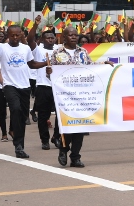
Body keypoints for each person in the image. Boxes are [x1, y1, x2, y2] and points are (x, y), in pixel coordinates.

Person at [47, 26, 112, 167]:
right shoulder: (57, 53)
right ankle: (63, 150)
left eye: (75, 35)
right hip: (65, 97)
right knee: (67, 126)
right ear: (64, 37)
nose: (74, 37)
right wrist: (49, 72)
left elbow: (91, 66)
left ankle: (75, 156)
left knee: (80, 128)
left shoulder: (82, 52)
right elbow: (51, 74)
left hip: (82, 96)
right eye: (70, 35)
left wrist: (104, 65)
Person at [0, 24, 44, 158]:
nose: (15, 38)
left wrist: (46, 63)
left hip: (24, 87)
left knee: (22, 117)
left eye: (17, 35)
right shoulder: (1, 48)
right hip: (9, 85)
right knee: (15, 108)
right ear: (8, 36)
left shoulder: (26, 48)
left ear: (21, 34)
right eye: (12, 35)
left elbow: (32, 65)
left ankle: (19, 144)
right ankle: (17, 144)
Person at [27, 19, 59, 149]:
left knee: (60, 115)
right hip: (43, 87)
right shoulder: (38, 50)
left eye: (52, 38)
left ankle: (56, 136)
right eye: (48, 38)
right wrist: (35, 25)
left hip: (58, 88)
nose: (50, 40)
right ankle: (44, 140)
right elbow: (29, 40)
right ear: (42, 39)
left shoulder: (60, 50)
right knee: (43, 116)